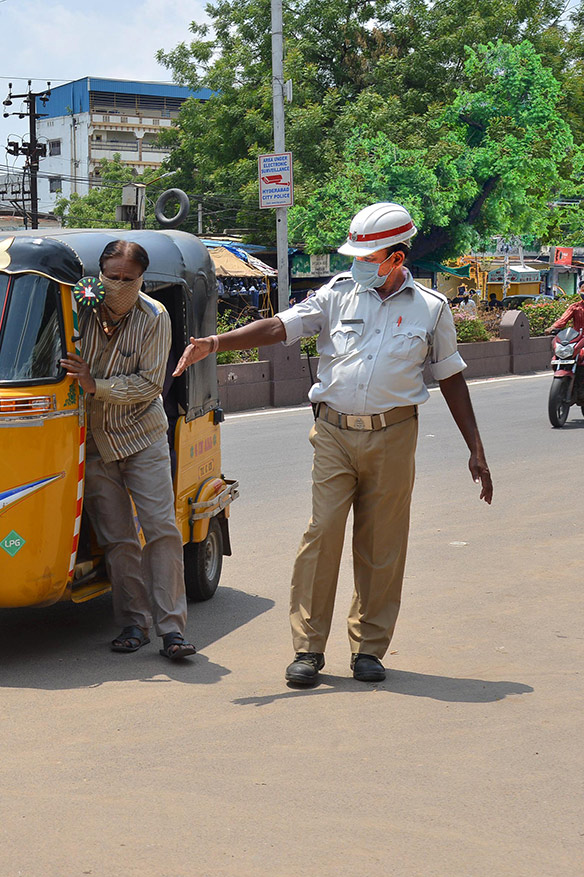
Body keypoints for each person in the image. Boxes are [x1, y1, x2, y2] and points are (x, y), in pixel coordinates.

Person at [173, 202, 493, 685]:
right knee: (321, 535)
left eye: (368, 257)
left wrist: (476, 447)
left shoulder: (432, 309)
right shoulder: (337, 294)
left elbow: (451, 379)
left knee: (381, 544)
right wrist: (216, 343)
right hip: (334, 435)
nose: (357, 265)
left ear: (396, 259)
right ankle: (308, 649)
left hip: (394, 435)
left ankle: (369, 648)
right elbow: (280, 326)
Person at [60, 240, 196, 661]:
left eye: (128, 278)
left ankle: (172, 629)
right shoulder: (80, 307)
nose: (118, 285)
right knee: (119, 539)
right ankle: (133, 622)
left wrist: (94, 385)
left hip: (142, 437)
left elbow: (151, 385)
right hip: (96, 442)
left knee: (161, 530)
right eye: (111, 276)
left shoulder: (155, 317)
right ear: (99, 274)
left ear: (142, 278)